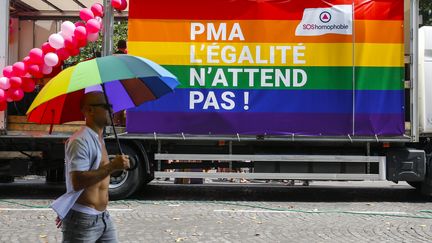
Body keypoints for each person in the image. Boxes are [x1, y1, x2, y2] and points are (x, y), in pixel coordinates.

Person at [50, 91, 130, 243]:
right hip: (82, 220)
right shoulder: (79, 141)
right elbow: (78, 181)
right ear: (89, 110)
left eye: (111, 106)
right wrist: (111, 166)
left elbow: (99, 175)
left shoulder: (99, 138)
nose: (112, 111)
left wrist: (116, 168)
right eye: (106, 106)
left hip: (103, 218)